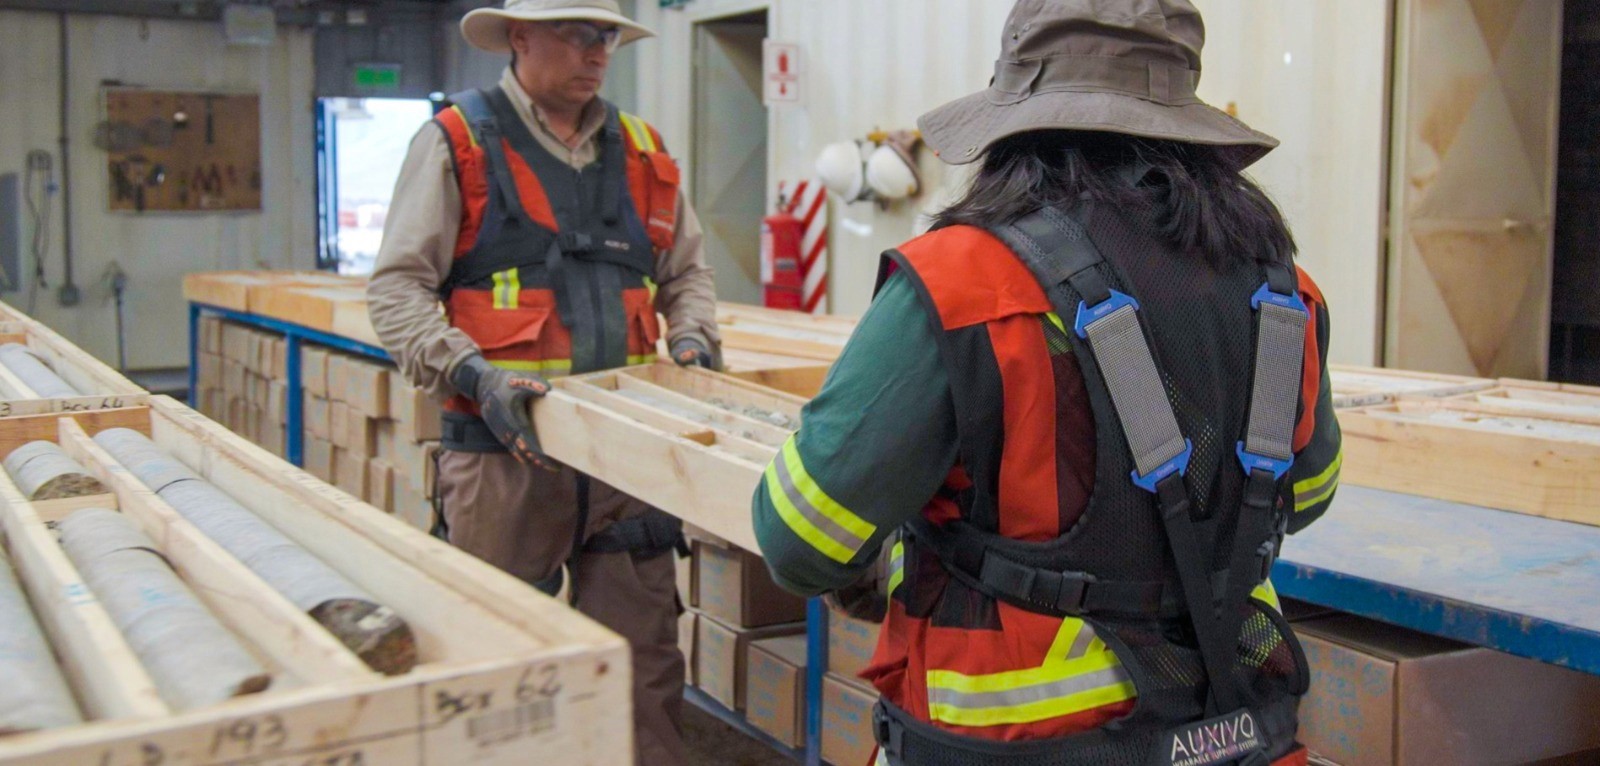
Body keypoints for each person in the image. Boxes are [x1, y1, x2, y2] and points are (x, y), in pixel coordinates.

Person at [752, 1, 1342, 765]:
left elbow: (799, 538)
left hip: (1017, 744)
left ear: (1014, 126)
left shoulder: (963, 284)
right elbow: (1310, 492)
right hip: (1240, 734)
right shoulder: (1284, 289)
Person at [367, 1, 719, 762]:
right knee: (498, 670)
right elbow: (395, 291)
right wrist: (472, 373)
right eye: (576, 33)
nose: (597, 52)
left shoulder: (643, 150)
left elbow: (686, 274)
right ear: (519, 37)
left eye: (607, 37)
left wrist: (693, 336)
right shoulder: (457, 142)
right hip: (503, 459)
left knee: (644, 667)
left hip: (626, 465)